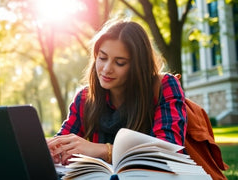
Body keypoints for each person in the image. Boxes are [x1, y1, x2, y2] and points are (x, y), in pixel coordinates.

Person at [47, 19, 186, 165]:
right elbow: (62, 144)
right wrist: (53, 151)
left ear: (138, 66)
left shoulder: (163, 86)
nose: (107, 69)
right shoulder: (84, 98)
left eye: (120, 62)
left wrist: (103, 150)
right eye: (102, 58)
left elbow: (169, 151)